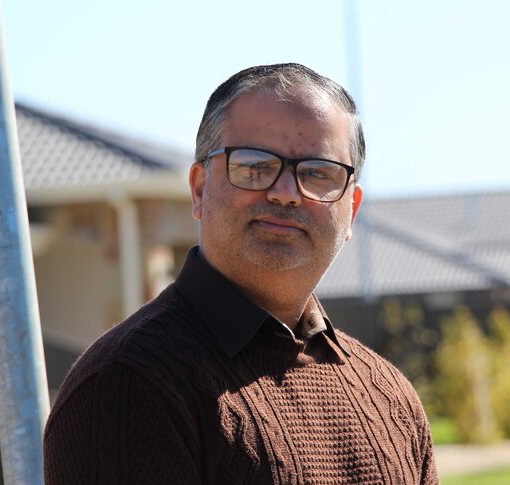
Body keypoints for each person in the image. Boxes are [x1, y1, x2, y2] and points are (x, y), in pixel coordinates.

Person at [43, 63, 439, 484]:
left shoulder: (388, 395)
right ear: (199, 189)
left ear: (351, 209)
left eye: (318, 173)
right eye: (254, 166)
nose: (286, 193)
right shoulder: (126, 385)